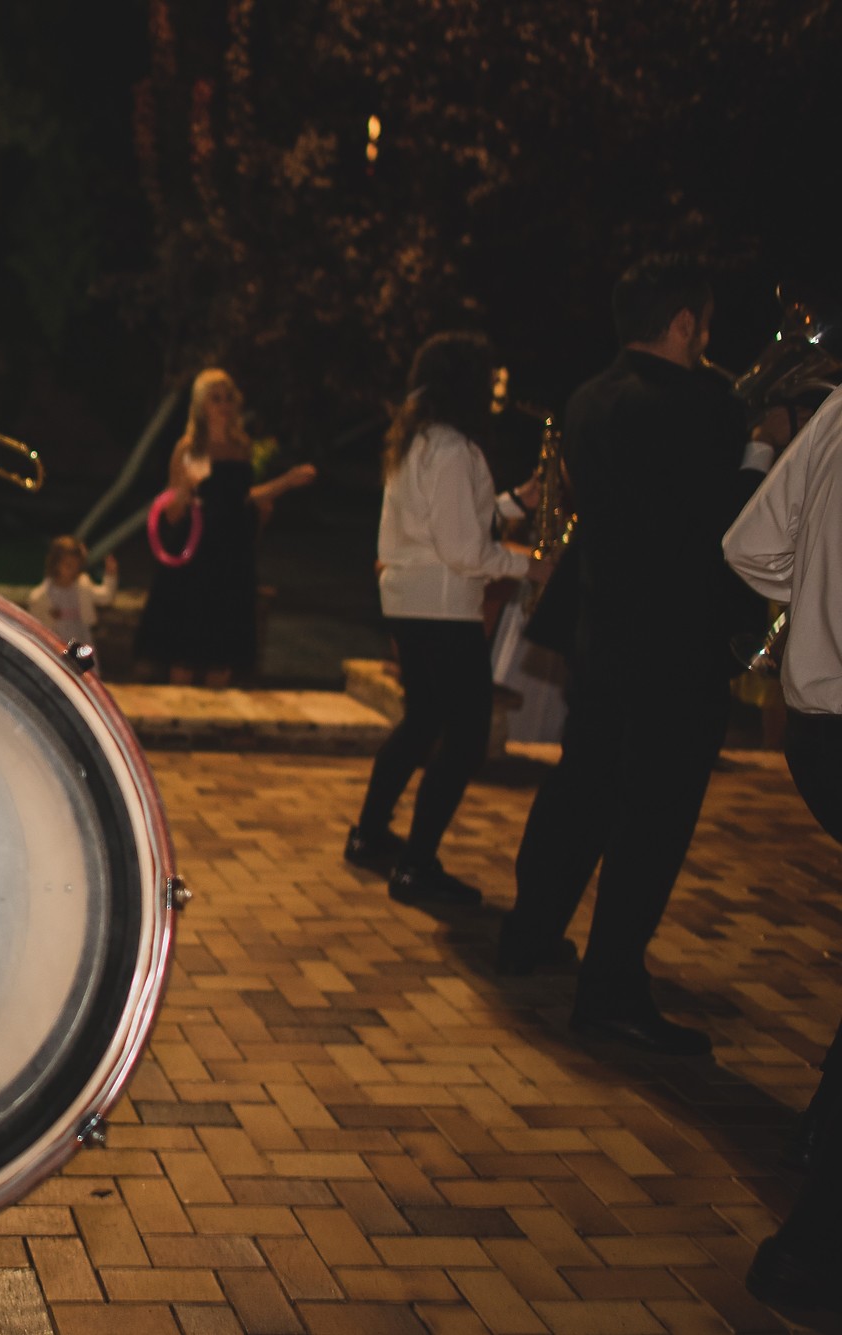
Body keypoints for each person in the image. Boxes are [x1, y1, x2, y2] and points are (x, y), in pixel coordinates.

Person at [498, 256, 779, 1056]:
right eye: (706, 324)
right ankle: (612, 989)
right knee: (654, 818)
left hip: (603, 630)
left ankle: (528, 932)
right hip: (677, 641)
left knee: (581, 787)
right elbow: (733, 524)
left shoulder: (590, 397)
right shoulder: (707, 408)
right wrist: (763, 446)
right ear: (685, 323)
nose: (709, 339)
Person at [344, 333, 545, 904]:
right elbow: (462, 549)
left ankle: (369, 834)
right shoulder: (455, 448)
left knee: (422, 721)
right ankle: (417, 864)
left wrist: (514, 502)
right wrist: (532, 565)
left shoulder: (418, 440)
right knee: (465, 737)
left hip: (409, 600)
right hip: (443, 607)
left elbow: (445, 523)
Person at [723, 384, 842, 1313]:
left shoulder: (836, 409)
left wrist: (814, 617)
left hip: (816, 728)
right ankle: (810, 1248)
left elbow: (751, 545)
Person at [132, 368, 317, 686]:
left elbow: (242, 497)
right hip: (197, 550)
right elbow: (172, 514)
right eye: (215, 398)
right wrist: (185, 489)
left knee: (223, 651)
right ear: (201, 404)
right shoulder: (191, 447)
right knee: (186, 648)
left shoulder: (240, 446)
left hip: (232, 550)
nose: (224, 405)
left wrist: (287, 482)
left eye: (228, 397)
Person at [27, 535, 118, 642]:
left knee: (81, 653)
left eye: (77, 566)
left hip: (81, 638)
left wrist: (110, 574)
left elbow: (106, 597)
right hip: (56, 641)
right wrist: (50, 616)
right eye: (68, 566)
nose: (73, 571)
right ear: (56, 564)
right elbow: (35, 627)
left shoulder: (82, 586)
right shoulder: (41, 596)